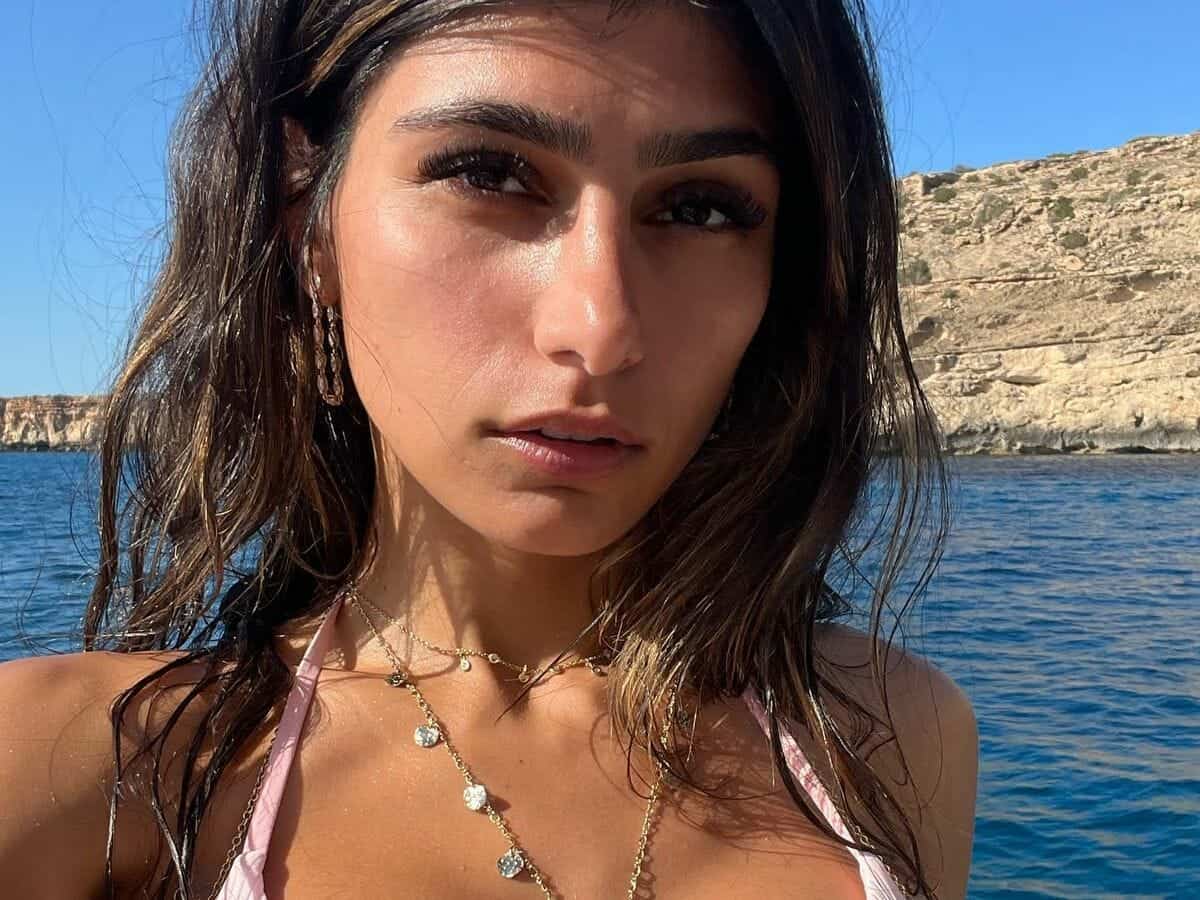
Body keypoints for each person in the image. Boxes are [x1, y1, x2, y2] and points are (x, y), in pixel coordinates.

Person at [0, 0, 978, 897]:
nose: (600, 328)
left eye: (700, 208)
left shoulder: (887, 734)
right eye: (489, 173)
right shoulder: (75, 772)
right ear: (308, 223)